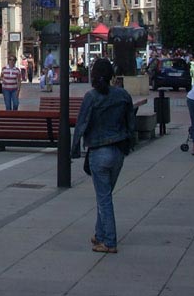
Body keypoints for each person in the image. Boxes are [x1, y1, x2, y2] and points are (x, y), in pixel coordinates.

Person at [70, 58, 136, 255]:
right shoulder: (123, 95)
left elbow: (81, 124)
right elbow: (130, 123)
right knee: (105, 195)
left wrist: (74, 150)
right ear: (111, 75)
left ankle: (109, 241)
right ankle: (100, 234)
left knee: (104, 198)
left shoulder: (91, 97)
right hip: (118, 151)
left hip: (99, 150)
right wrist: (129, 144)